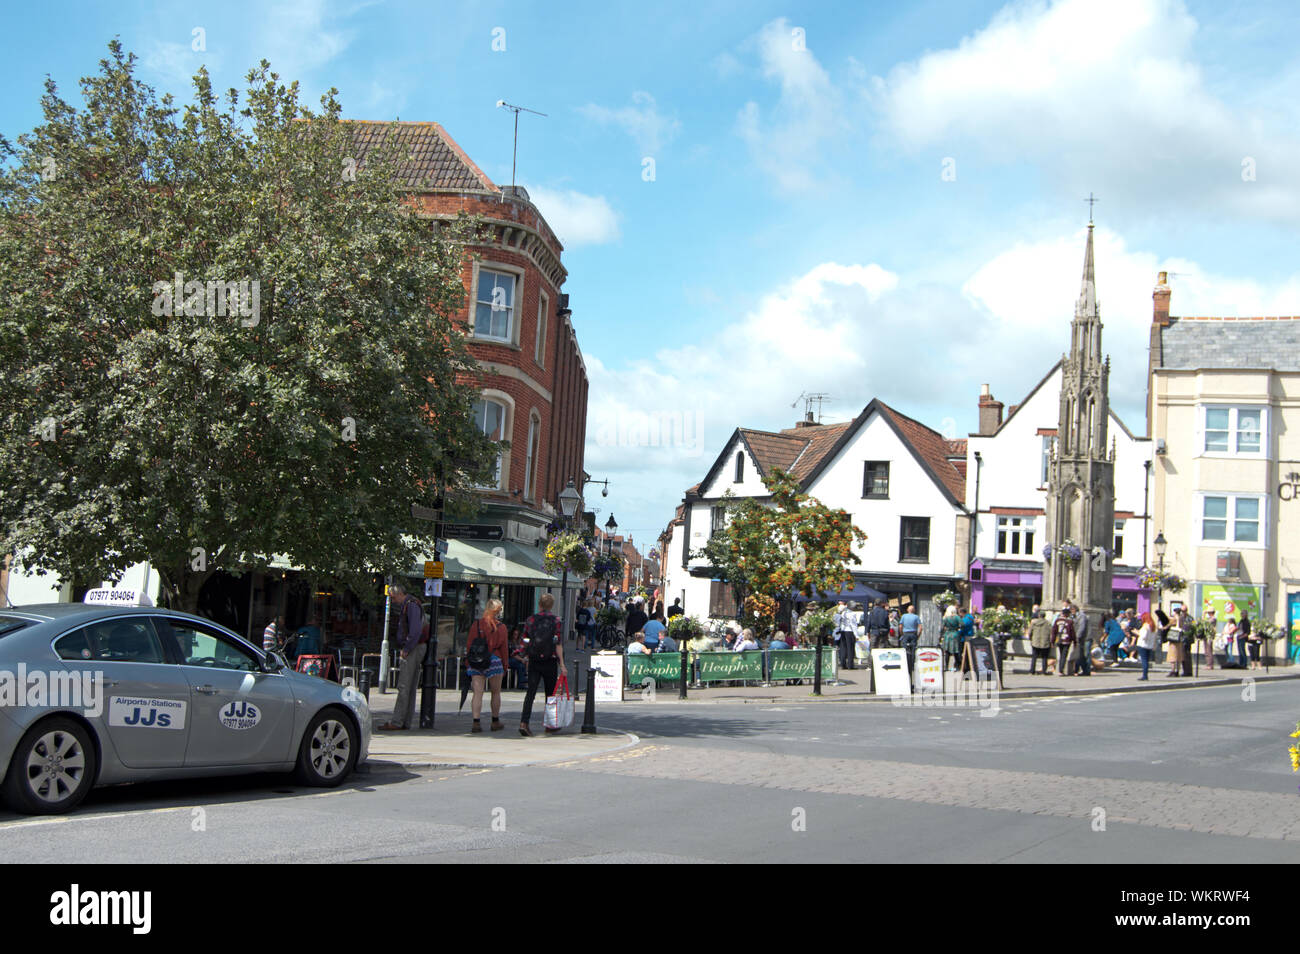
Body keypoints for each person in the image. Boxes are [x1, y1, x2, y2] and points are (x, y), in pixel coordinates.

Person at [378, 584, 426, 731]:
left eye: (393, 597)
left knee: (404, 685)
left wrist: (407, 648)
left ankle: (397, 721)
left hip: (412, 648)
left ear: (399, 594)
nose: (393, 601)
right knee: (410, 687)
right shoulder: (413, 603)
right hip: (417, 647)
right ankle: (405, 721)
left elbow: (415, 630)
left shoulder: (410, 605)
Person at [519, 593, 565, 737]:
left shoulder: (531, 620)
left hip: (534, 660)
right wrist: (562, 664)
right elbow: (558, 644)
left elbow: (525, 640)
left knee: (530, 693)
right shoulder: (556, 620)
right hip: (549, 660)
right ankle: (549, 724)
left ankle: (524, 723)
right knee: (550, 694)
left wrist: (524, 656)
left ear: (539, 604)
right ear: (551, 605)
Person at [465, 599, 508, 733]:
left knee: (477, 693)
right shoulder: (501, 627)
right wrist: (505, 665)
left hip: (477, 660)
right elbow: (504, 649)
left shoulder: (476, 624)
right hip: (495, 659)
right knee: (496, 692)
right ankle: (495, 721)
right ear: (498, 611)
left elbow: (469, 644)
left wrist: (468, 662)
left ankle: (476, 722)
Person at [1051, 606, 1075, 677]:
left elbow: (1054, 631)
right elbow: (1072, 632)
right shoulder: (1070, 622)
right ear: (1067, 614)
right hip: (1067, 640)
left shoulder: (1057, 621)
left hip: (1059, 640)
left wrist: (1052, 641)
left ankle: (1060, 669)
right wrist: (1074, 641)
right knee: (1064, 656)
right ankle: (1061, 670)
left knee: (1061, 655)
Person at [1027, 609, 1052, 675]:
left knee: (1034, 657)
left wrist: (1030, 639)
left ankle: (1032, 671)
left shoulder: (1034, 622)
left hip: (1035, 641)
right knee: (1044, 657)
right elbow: (1051, 633)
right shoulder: (1048, 623)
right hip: (1045, 642)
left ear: (1039, 615)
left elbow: (1029, 632)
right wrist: (1051, 641)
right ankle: (1044, 671)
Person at [1135, 611, 1158, 680]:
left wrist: (1137, 632)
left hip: (1143, 645)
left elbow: (1144, 636)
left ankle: (1144, 676)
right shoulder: (1153, 626)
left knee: (1144, 660)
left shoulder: (1146, 626)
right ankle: (1146, 674)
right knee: (1146, 661)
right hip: (1149, 646)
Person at [899, 603, 921, 673]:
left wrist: (902, 634)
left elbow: (900, 626)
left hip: (906, 634)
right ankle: (912, 665)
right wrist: (918, 635)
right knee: (913, 649)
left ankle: (905, 664)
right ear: (913, 610)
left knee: (904, 649)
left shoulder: (904, 616)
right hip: (913, 634)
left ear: (907, 610)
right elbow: (920, 627)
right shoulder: (916, 617)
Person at [834, 601, 856, 670]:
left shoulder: (843, 613)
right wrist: (856, 634)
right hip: (849, 631)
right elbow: (853, 625)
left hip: (843, 631)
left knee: (843, 648)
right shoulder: (852, 614)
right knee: (850, 648)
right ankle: (850, 665)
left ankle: (843, 664)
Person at [940, 604, 963, 671]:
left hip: (948, 634)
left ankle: (946, 666)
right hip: (955, 634)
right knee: (956, 651)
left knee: (947, 651)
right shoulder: (957, 617)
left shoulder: (946, 617)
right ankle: (957, 666)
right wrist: (958, 627)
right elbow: (962, 624)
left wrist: (942, 633)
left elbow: (942, 627)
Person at [1072, 603, 1092, 676]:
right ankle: (1083, 670)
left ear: (1074, 610)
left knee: (1086, 655)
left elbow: (1081, 628)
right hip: (1082, 638)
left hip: (1086, 638)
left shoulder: (1081, 616)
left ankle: (1087, 671)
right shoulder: (1075, 616)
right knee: (1081, 655)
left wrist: (1077, 637)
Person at [1165, 609, 1183, 677]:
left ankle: (1172, 670)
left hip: (1173, 639)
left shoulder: (1174, 619)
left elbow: (1168, 625)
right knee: (1178, 656)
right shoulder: (1181, 619)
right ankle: (1177, 671)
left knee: (1172, 656)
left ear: (1175, 612)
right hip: (1179, 639)